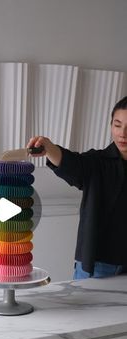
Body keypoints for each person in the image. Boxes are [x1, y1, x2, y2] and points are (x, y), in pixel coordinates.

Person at [27, 96, 127, 280]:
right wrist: (48, 147)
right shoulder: (97, 162)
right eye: (117, 125)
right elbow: (72, 163)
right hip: (97, 265)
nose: (122, 134)